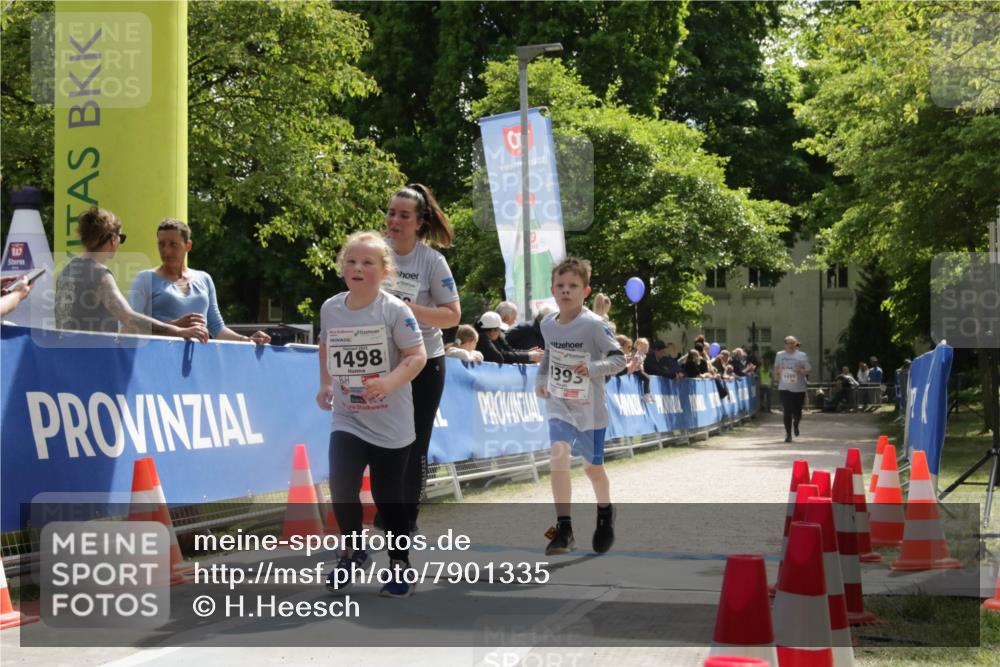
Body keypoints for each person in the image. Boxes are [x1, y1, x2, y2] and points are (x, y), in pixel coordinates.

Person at [317, 231, 427, 598]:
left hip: (390, 420)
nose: (357, 268)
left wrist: (388, 382)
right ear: (341, 267)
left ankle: (400, 565)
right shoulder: (331, 307)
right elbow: (326, 344)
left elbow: (417, 356)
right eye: (350, 261)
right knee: (342, 487)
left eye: (367, 262)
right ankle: (352, 551)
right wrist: (326, 384)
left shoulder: (395, 310)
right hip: (348, 416)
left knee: (386, 495)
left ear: (384, 271)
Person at [382, 184, 461, 531]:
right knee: (381, 443)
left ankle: (406, 522)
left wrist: (405, 309)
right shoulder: (374, 251)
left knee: (414, 445)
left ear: (419, 222)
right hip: (380, 362)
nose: (394, 220)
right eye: (390, 212)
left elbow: (452, 315)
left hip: (425, 361)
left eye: (403, 215)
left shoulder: (431, 261)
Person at [536, 257, 626, 556]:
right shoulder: (548, 323)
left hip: (590, 410)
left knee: (593, 469)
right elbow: (549, 354)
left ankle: (605, 512)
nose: (566, 291)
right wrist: (541, 376)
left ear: (585, 291)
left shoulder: (594, 325)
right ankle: (564, 529)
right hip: (560, 404)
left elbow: (619, 360)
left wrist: (592, 366)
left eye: (572, 286)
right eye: (560, 286)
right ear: (552, 289)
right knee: (558, 457)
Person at [55, 206, 208, 341]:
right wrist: (179, 331)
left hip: (65, 358)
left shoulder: (67, 270)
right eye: (121, 238)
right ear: (114, 239)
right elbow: (129, 318)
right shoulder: (99, 274)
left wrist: (173, 325)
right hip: (94, 362)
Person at [128, 218, 270, 344]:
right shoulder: (144, 278)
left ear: (188, 246)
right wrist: (176, 326)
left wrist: (248, 340)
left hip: (197, 364)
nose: (166, 251)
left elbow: (217, 328)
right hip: (159, 360)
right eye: (161, 244)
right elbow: (131, 326)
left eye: (173, 244)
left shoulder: (204, 278)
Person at [775, 335, 811, 442]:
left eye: (792, 343)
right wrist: (777, 375)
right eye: (788, 343)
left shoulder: (802, 355)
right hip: (784, 387)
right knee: (787, 411)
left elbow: (809, 369)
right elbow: (776, 368)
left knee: (797, 412)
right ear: (785, 344)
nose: (790, 345)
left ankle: (796, 424)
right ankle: (788, 434)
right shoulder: (779, 355)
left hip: (799, 388)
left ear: (796, 344)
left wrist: (801, 371)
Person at [475, 311, 539, 364]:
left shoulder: (497, 337)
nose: (500, 331)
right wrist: (529, 356)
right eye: (499, 329)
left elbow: (509, 350)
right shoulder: (481, 339)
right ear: (492, 332)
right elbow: (500, 358)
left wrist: (527, 353)